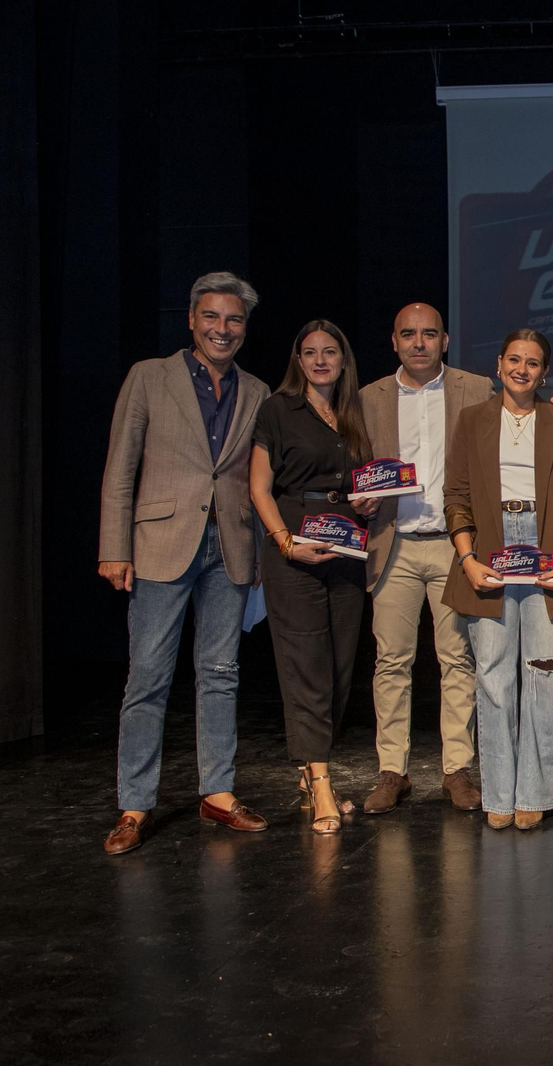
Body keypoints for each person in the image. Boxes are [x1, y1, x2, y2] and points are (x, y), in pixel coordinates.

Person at [98, 272, 272, 854]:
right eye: (212, 318)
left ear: (245, 328)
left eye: (234, 320)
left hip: (231, 546)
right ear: (192, 321)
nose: (223, 329)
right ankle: (134, 804)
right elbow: (120, 468)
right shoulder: (149, 377)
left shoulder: (258, 390)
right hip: (159, 543)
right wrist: (114, 547)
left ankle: (217, 793)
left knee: (221, 675)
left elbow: (258, 478)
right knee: (147, 677)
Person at [442, 329, 553, 830]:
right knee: (494, 677)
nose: (522, 369)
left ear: (544, 373)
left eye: (533, 363)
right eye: (514, 360)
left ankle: (539, 792)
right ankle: (499, 795)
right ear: (499, 364)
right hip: (490, 550)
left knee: (546, 673)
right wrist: (467, 559)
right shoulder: (472, 419)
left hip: (547, 548)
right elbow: (456, 494)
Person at [358, 303, 495, 815]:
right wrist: (360, 498)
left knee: (457, 658)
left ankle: (456, 769)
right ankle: (392, 771)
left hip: (454, 543)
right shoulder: (369, 397)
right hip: (391, 542)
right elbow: (353, 467)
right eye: (408, 335)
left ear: (445, 341)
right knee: (391, 661)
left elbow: (522, 424)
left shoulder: (476, 389)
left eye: (429, 334)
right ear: (394, 341)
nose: (419, 343)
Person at [250, 319, 373, 834]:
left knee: (341, 667)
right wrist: (285, 541)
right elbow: (258, 487)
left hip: (346, 544)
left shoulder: (353, 414)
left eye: (330, 352)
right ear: (297, 361)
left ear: (343, 360)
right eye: (309, 352)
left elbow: (359, 483)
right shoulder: (278, 410)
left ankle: (312, 769)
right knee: (305, 667)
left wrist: (365, 500)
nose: (320, 360)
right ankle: (321, 782)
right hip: (294, 548)